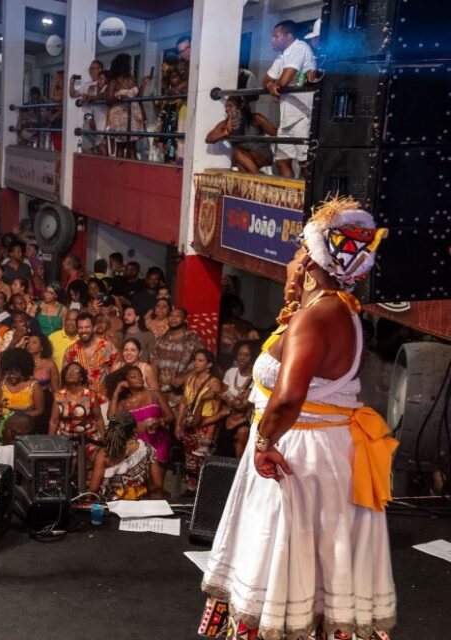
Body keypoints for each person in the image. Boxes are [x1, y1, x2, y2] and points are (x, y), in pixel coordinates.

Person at [200, 198, 395, 640]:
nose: (289, 263)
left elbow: (288, 399)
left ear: (309, 262)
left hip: (296, 456)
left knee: (284, 559)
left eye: (295, 254)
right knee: (318, 565)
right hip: (320, 451)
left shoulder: (316, 317)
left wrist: (265, 444)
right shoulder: (342, 311)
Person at [264, 20, 316, 178]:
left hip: (302, 116)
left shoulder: (299, 48)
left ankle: (308, 200)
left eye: (276, 36)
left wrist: (275, 84)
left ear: (288, 36)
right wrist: (270, 86)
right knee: (282, 161)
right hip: (287, 117)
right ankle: (291, 199)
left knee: (305, 163)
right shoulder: (281, 55)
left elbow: (284, 81)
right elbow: (266, 79)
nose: (272, 40)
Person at [177, 348, 227, 491]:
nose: (196, 363)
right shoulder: (190, 377)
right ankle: (191, 489)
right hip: (189, 422)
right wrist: (178, 425)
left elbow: (216, 409)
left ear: (209, 365)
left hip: (206, 424)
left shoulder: (214, 382)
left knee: (202, 460)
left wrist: (210, 434)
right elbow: (183, 403)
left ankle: (202, 491)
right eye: (195, 360)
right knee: (189, 459)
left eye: (200, 361)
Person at [89, 411, 163, 501]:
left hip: (110, 509)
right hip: (139, 507)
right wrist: (138, 491)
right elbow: (157, 484)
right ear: (134, 430)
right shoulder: (147, 450)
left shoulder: (104, 454)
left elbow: (93, 489)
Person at [205, 96, 277, 173]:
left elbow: (275, 133)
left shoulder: (255, 118)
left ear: (241, 107)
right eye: (226, 107)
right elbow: (209, 139)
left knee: (238, 158)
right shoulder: (225, 124)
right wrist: (225, 131)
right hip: (241, 157)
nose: (227, 110)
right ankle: (259, 176)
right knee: (239, 162)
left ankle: (260, 178)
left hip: (262, 153)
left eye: (230, 106)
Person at [63, 312, 119, 399]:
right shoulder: (70, 351)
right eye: (80, 328)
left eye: (87, 327)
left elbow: (116, 373)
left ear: (94, 328)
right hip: (79, 401)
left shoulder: (107, 348)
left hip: (103, 399)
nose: (83, 330)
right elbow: (65, 378)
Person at [0, 348, 44, 444]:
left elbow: (39, 410)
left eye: (15, 372)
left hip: (25, 429)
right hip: (5, 428)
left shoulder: (34, 386)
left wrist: (19, 418)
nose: (11, 376)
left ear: (24, 370)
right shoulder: (3, 384)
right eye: (8, 372)